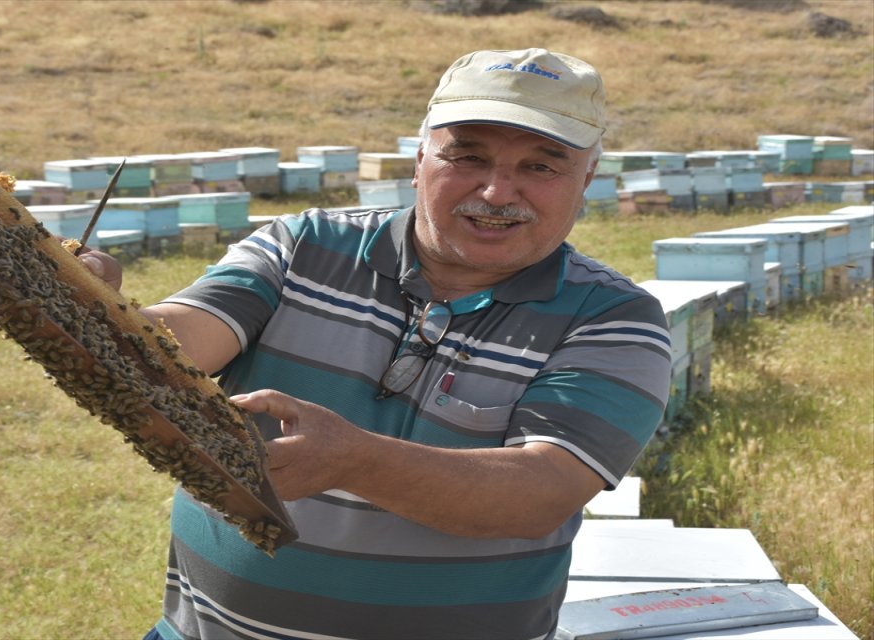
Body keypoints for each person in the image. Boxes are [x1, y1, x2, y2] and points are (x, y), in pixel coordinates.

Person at [81, 48, 671, 640]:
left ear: (587, 179)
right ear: (420, 159)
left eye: (542, 167)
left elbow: (540, 492)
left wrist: (354, 459)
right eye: (467, 157)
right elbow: (179, 343)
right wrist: (93, 308)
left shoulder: (614, 320)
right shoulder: (302, 245)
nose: (496, 192)